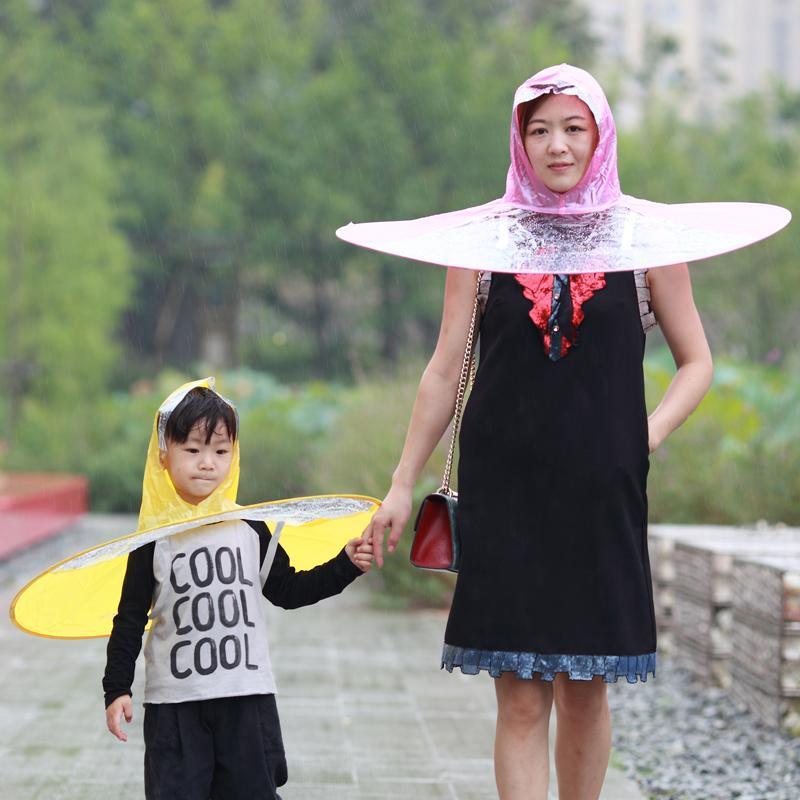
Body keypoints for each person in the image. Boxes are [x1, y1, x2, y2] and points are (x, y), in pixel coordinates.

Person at [364, 64, 713, 800]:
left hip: (602, 496)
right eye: (539, 129)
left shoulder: (645, 242)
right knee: (520, 692)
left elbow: (697, 363)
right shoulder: (485, 242)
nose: (557, 145)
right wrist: (400, 483)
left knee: (587, 687)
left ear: (600, 136)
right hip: (506, 492)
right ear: (520, 140)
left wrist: (643, 436)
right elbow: (443, 371)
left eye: (573, 128)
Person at [103, 382, 373, 800]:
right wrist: (117, 688)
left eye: (220, 451)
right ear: (164, 455)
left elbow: (288, 590)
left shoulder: (250, 529)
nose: (207, 463)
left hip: (245, 698)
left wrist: (345, 565)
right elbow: (129, 618)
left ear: (234, 454)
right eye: (192, 450)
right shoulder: (154, 541)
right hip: (176, 704)